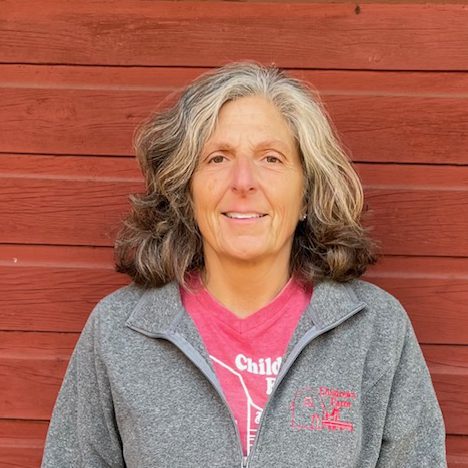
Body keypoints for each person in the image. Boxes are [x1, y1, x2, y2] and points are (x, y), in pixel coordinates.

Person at [41, 62, 447, 467]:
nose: (243, 181)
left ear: (307, 194)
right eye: (217, 158)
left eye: (271, 158)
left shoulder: (375, 329)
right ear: (187, 190)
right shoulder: (119, 331)